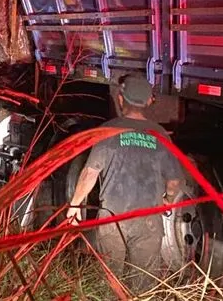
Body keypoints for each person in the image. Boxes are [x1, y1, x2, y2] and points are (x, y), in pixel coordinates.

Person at [66, 73, 182, 289]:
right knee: (144, 285)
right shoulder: (160, 135)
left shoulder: (107, 131)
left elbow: (90, 172)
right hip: (147, 220)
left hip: (112, 219)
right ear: (148, 101)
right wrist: (168, 200)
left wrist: (74, 205)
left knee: (109, 282)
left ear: (121, 99)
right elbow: (174, 181)